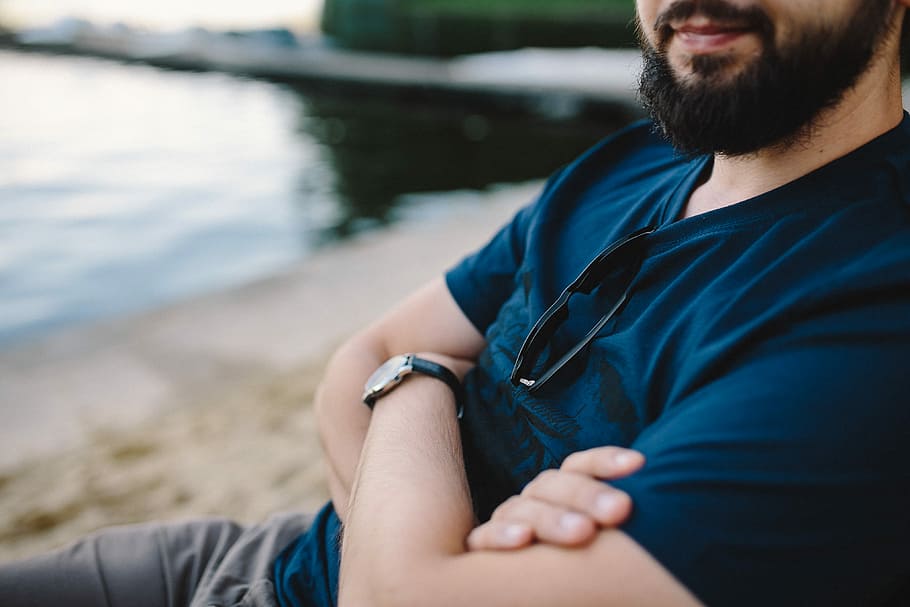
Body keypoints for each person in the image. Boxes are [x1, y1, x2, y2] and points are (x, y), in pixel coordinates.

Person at [3, 0, 910, 605]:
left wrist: (401, 414)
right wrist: (417, 391)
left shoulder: (873, 310)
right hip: (255, 558)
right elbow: (364, 356)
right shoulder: (628, 163)